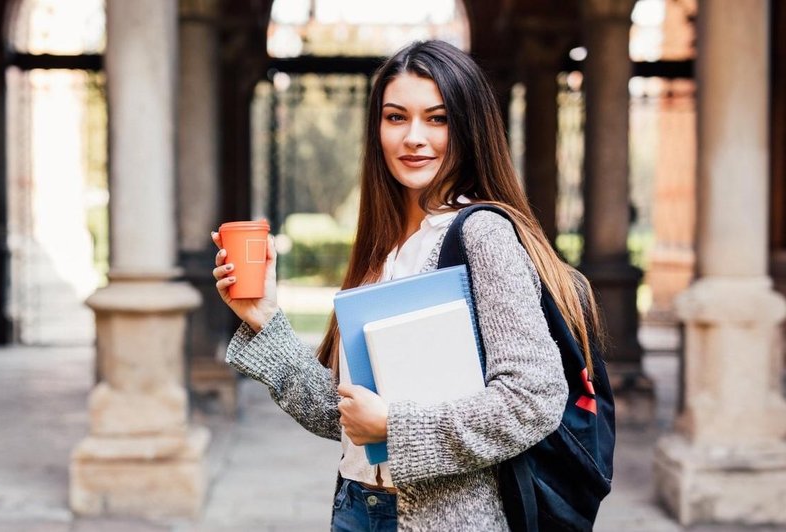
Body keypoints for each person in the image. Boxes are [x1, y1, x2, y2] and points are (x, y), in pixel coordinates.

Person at [211, 40, 604, 532]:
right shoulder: (386, 249)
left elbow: (533, 397)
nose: (414, 137)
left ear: (470, 126)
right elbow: (341, 418)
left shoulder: (482, 233)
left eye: (437, 119)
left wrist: (394, 426)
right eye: (396, 117)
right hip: (359, 507)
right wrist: (262, 316)